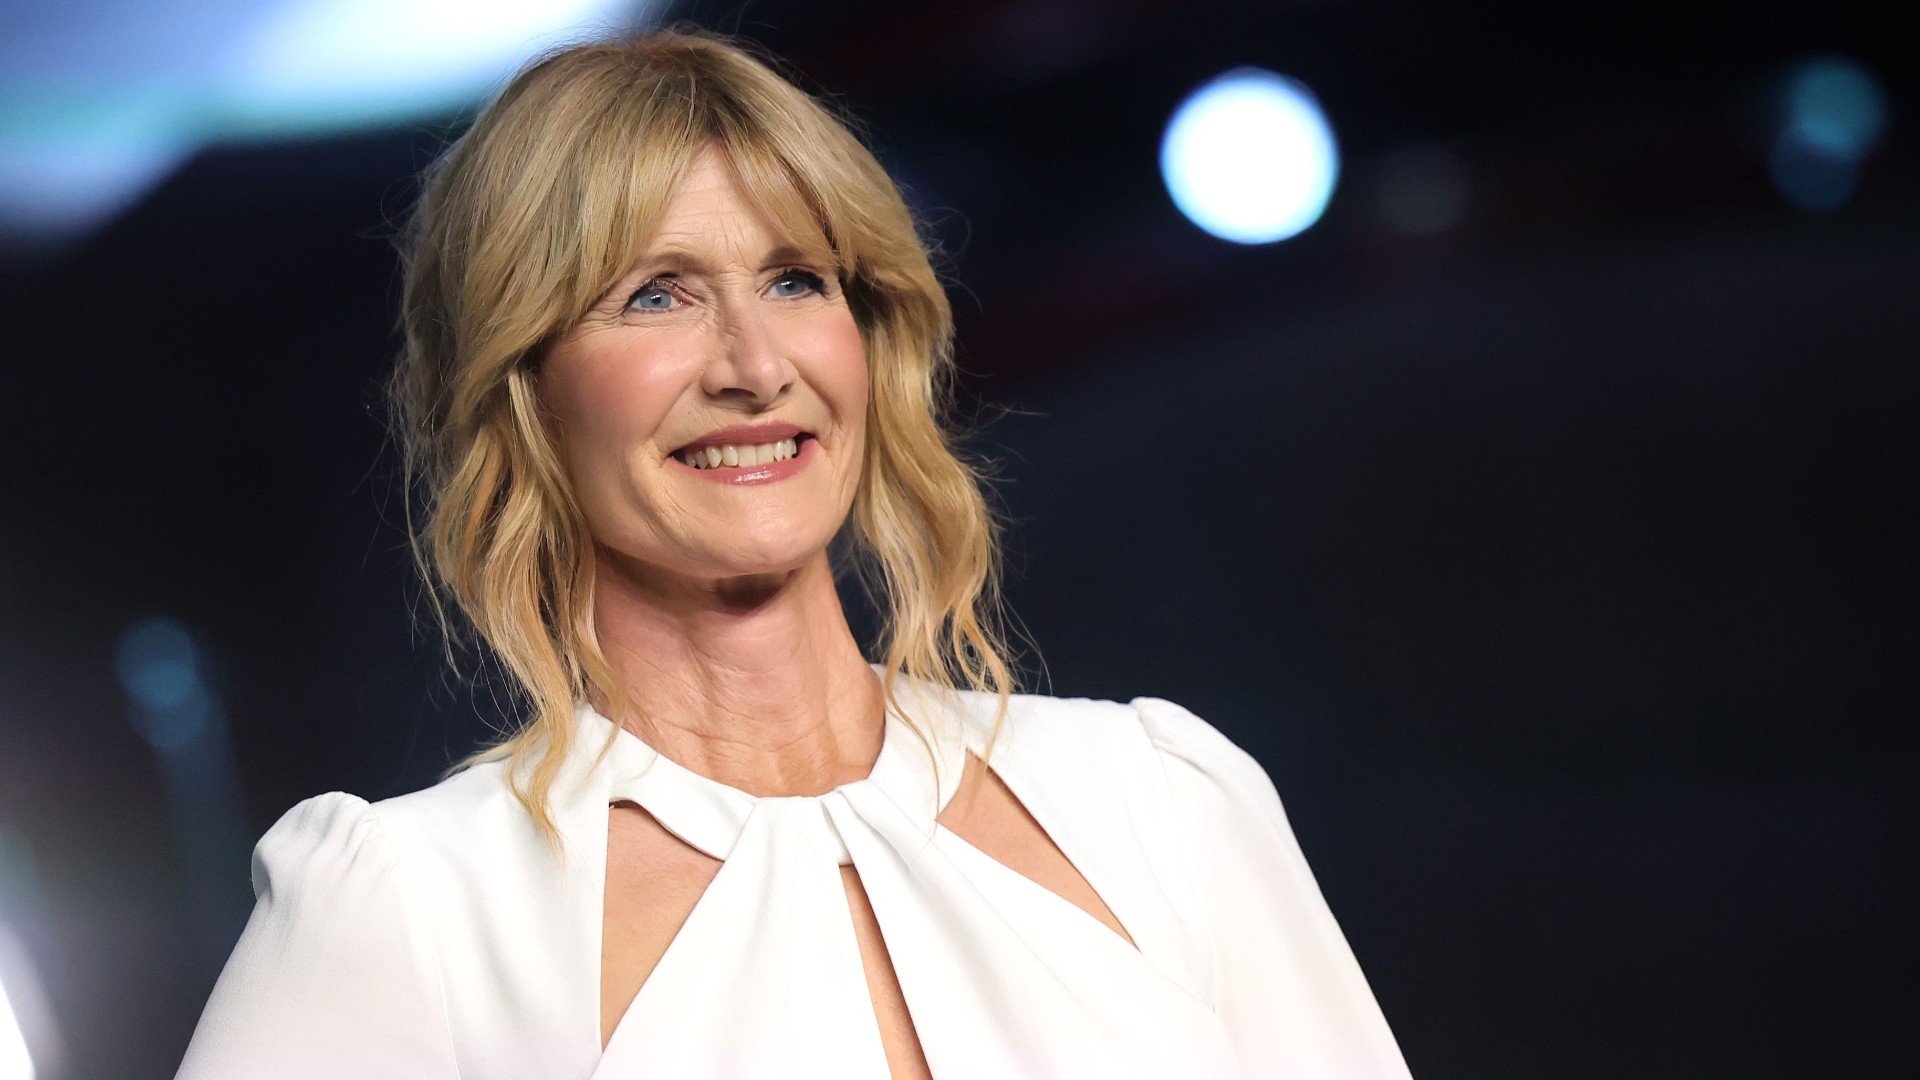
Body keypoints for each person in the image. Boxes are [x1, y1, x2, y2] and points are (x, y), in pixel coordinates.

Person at [176, 29, 1411, 1080]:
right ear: (524, 387)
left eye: (795, 280)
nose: (755, 367)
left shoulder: (1160, 800)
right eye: (656, 294)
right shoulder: (413, 911)